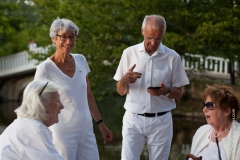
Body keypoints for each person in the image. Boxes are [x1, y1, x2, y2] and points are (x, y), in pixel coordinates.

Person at [34, 17, 113, 160]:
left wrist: (101, 125)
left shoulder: (81, 59)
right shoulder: (44, 69)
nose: (69, 41)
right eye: (63, 37)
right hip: (62, 133)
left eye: (72, 37)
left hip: (87, 129)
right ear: (54, 38)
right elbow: (35, 104)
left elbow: (88, 95)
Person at [113, 15, 190, 160]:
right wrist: (123, 80)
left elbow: (179, 94)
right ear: (142, 31)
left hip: (161, 121)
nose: (153, 43)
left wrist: (166, 91)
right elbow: (120, 91)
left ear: (163, 34)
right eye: (149, 38)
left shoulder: (173, 57)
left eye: (158, 39)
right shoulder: (129, 53)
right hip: (133, 120)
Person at [0, 80, 65, 159]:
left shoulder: (24, 123)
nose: (62, 106)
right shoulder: (36, 129)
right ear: (43, 103)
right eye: (57, 100)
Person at [189, 84, 240, 160]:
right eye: (204, 105)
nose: (204, 110)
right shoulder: (201, 131)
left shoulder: (237, 136)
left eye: (209, 105)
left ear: (227, 111)